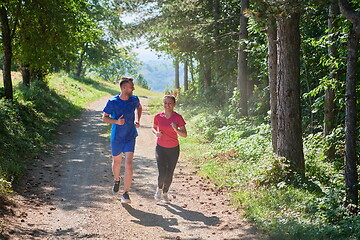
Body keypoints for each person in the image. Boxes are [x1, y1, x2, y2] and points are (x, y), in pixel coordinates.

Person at [102, 77, 142, 204]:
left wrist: (137, 119)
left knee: (129, 163)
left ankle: (125, 193)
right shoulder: (112, 102)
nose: (133, 88)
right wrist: (116, 122)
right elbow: (104, 118)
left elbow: (139, 107)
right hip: (117, 137)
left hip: (130, 136)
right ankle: (116, 179)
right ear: (124, 88)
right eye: (131, 86)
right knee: (117, 161)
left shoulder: (134, 99)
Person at [152, 95, 187, 203]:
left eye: (170, 103)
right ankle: (159, 189)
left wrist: (175, 129)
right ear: (163, 104)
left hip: (173, 149)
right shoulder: (158, 116)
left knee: (169, 173)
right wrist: (156, 133)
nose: (167, 105)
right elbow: (153, 127)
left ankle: (165, 193)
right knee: (162, 172)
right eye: (165, 103)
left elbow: (184, 134)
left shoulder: (178, 117)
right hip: (160, 148)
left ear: (174, 105)